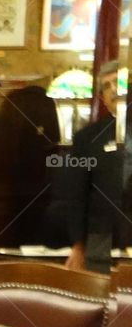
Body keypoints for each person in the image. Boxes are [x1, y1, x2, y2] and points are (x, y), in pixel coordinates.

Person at [63, 61, 131, 273]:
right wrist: (77, 243)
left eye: (118, 83)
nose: (113, 90)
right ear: (101, 97)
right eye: (107, 86)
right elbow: (76, 194)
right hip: (101, 235)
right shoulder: (87, 138)